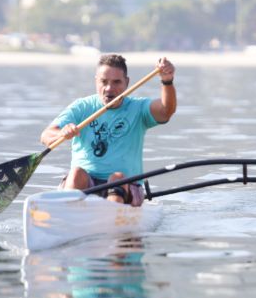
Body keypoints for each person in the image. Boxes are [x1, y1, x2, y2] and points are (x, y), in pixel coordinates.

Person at [40, 54, 176, 206]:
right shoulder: (82, 107)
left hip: (125, 185)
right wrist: (61, 133)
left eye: (117, 82)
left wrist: (167, 81)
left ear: (127, 83)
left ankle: (113, 215)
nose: (109, 88)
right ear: (96, 81)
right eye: (103, 82)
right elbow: (46, 135)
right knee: (76, 173)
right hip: (85, 184)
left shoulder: (138, 108)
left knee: (117, 179)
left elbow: (166, 111)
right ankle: (69, 211)